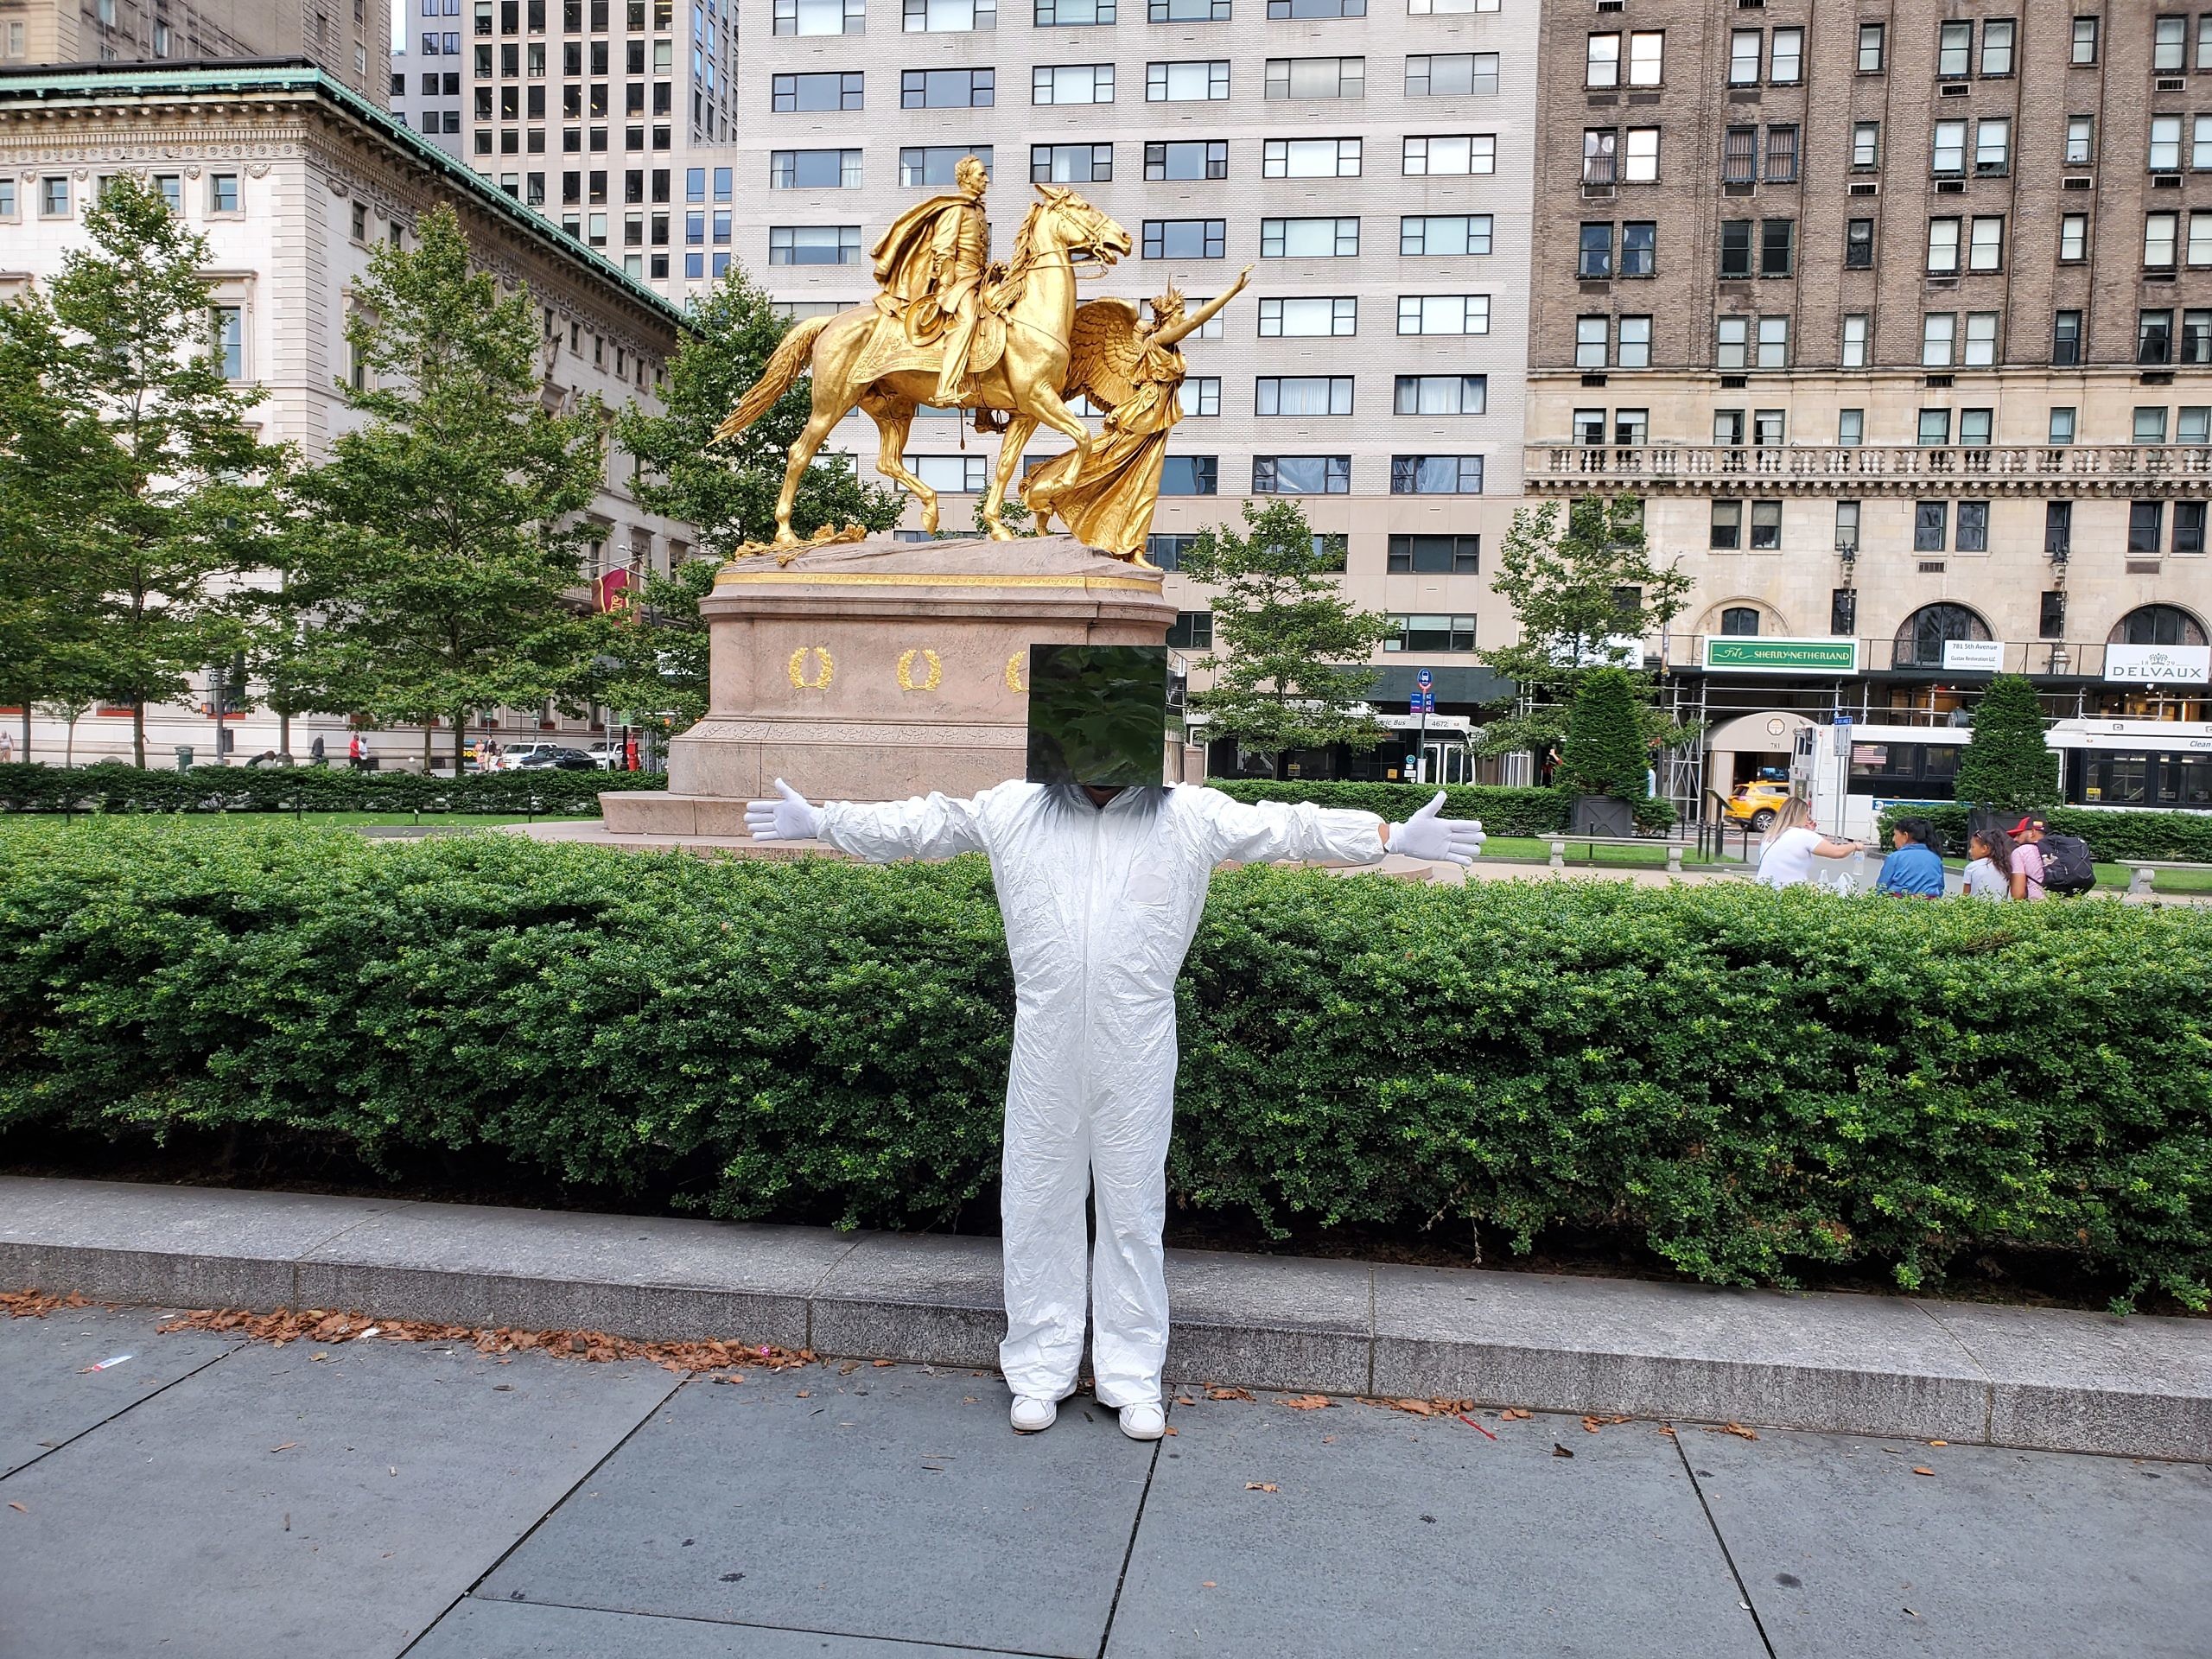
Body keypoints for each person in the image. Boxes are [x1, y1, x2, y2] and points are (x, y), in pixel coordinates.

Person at [746, 650, 1486, 1443]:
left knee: (1133, 1203)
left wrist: (1382, 834)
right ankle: (1039, 1367)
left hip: (1138, 1035)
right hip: (1046, 1035)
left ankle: (1133, 1374)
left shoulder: (1189, 816)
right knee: (1037, 1197)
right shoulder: (1013, 808)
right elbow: (927, 822)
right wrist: (825, 820)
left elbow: (1284, 825)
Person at [1026, 273, 1252, 559]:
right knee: (1098, 465)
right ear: (1169, 316)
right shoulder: (1157, 341)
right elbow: (1196, 323)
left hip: (1156, 424)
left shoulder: (1169, 347)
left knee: (1144, 487)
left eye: (1183, 312)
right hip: (1141, 418)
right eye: (1180, 312)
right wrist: (1232, 290)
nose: (1184, 317)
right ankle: (1044, 492)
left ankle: (1133, 551)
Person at [869, 153, 991, 407]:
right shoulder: (956, 208)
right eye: (981, 174)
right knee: (966, 321)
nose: (986, 179)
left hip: (979, 278)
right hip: (959, 280)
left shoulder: (977, 209)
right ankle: (946, 386)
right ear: (966, 179)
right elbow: (944, 250)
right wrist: (947, 286)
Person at [1754, 797, 1862, 887]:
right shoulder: (1803, 835)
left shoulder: (1770, 835)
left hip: (1765, 890)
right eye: (1807, 815)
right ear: (1801, 816)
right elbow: (1837, 852)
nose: (1808, 819)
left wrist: (1808, 832)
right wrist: (1855, 845)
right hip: (1789, 893)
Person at [1874, 817, 1947, 897]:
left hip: (1898, 906)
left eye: (1895, 835)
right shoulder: (1935, 858)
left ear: (1905, 836)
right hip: (1929, 906)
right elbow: (1940, 889)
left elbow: (1881, 888)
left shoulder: (1895, 858)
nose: (1893, 839)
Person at [1961, 827, 2013, 900]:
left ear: (1984, 849)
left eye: (1972, 847)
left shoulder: (1971, 867)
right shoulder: (2005, 867)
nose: (1970, 851)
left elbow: (1965, 896)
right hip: (1999, 909)